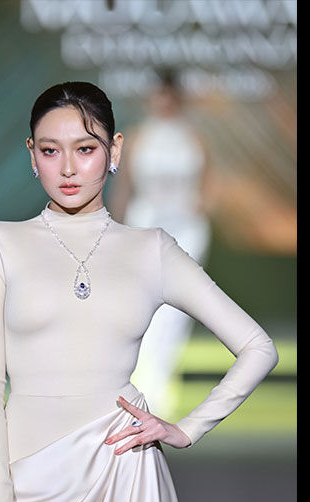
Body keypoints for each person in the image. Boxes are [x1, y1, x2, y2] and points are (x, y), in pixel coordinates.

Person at [0, 81, 278, 502]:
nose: (68, 167)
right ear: (31, 154)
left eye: (85, 148)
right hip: (25, 496)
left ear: (114, 151)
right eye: (50, 149)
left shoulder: (152, 249)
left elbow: (258, 347)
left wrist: (187, 428)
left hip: (123, 481)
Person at [109, 69, 214, 419]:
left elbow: (208, 182)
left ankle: (162, 381)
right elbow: (124, 186)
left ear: (178, 98)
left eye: (170, 96)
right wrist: (115, 229)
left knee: (179, 306)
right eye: (159, 95)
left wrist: (202, 206)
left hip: (187, 229)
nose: (164, 102)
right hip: (146, 225)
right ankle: (141, 380)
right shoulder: (137, 137)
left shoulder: (194, 138)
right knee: (146, 303)